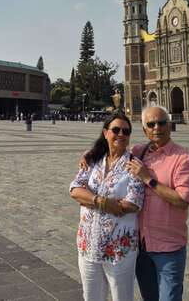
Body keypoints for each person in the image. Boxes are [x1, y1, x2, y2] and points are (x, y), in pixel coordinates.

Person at [70, 113, 144, 301]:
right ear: (105, 133)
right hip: (88, 243)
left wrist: (88, 199)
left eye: (126, 131)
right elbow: (75, 189)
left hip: (118, 247)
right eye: (116, 130)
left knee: (122, 297)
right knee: (91, 296)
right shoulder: (93, 160)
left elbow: (133, 203)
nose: (121, 134)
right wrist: (102, 202)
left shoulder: (133, 165)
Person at [127, 106, 189, 301]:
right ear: (144, 130)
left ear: (169, 125)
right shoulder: (138, 152)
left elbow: (183, 200)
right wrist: (89, 155)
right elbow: (111, 152)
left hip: (168, 247)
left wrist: (148, 179)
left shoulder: (183, 158)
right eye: (151, 124)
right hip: (141, 246)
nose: (157, 127)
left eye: (162, 122)